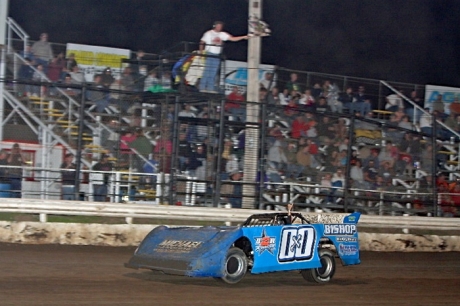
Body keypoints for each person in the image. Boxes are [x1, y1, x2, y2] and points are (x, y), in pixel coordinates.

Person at [199, 21, 247, 92]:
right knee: (207, 71)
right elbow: (202, 42)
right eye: (218, 26)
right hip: (209, 53)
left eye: (221, 26)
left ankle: (210, 89)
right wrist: (201, 52)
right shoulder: (209, 33)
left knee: (213, 72)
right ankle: (202, 88)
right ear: (214, 26)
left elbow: (233, 38)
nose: (219, 27)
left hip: (217, 55)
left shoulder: (222, 34)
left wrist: (243, 37)